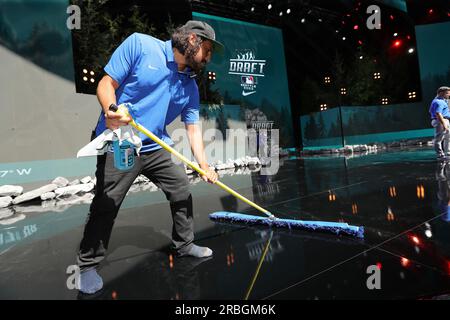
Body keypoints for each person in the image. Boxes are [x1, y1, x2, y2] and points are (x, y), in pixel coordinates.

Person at [76, 20, 223, 294]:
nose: (209, 56)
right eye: (208, 49)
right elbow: (106, 83)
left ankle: (184, 244)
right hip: (120, 143)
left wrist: (204, 165)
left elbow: (192, 128)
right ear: (192, 40)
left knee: (180, 187)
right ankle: (86, 265)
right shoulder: (140, 45)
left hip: (154, 147)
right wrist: (111, 109)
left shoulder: (189, 86)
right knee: (108, 201)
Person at [429, 86, 450, 160]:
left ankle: (447, 154)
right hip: (440, 120)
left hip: (443, 120)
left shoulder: (441, 101)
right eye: (447, 93)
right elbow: (438, 113)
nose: (448, 95)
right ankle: (440, 155)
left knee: (448, 138)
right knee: (439, 139)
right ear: (441, 93)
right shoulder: (438, 102)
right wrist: (443, 123)